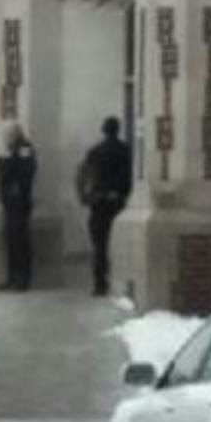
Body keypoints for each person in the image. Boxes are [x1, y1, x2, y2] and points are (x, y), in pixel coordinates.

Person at [77, 116, 134, 298]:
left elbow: (82, 175)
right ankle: (122, 281)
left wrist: (84, 197)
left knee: (99, 246)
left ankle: (100, 284)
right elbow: (129, 176)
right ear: (118, 130)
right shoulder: (126, 151)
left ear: (103, 130)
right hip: (118, 202)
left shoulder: (95, 152)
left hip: (99, 202)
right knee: (121, 243)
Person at [0, 125, 39, 291]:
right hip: (9, 203)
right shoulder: (12, 150)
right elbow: (7, 166)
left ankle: (22, 279)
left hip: (19, 203)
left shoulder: (24, 149)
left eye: (8, 135)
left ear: (16, 135)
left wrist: (3, 164)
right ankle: (12, 277)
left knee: (20, 240)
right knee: (11, 241)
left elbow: (24, 169)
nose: (5, 139)